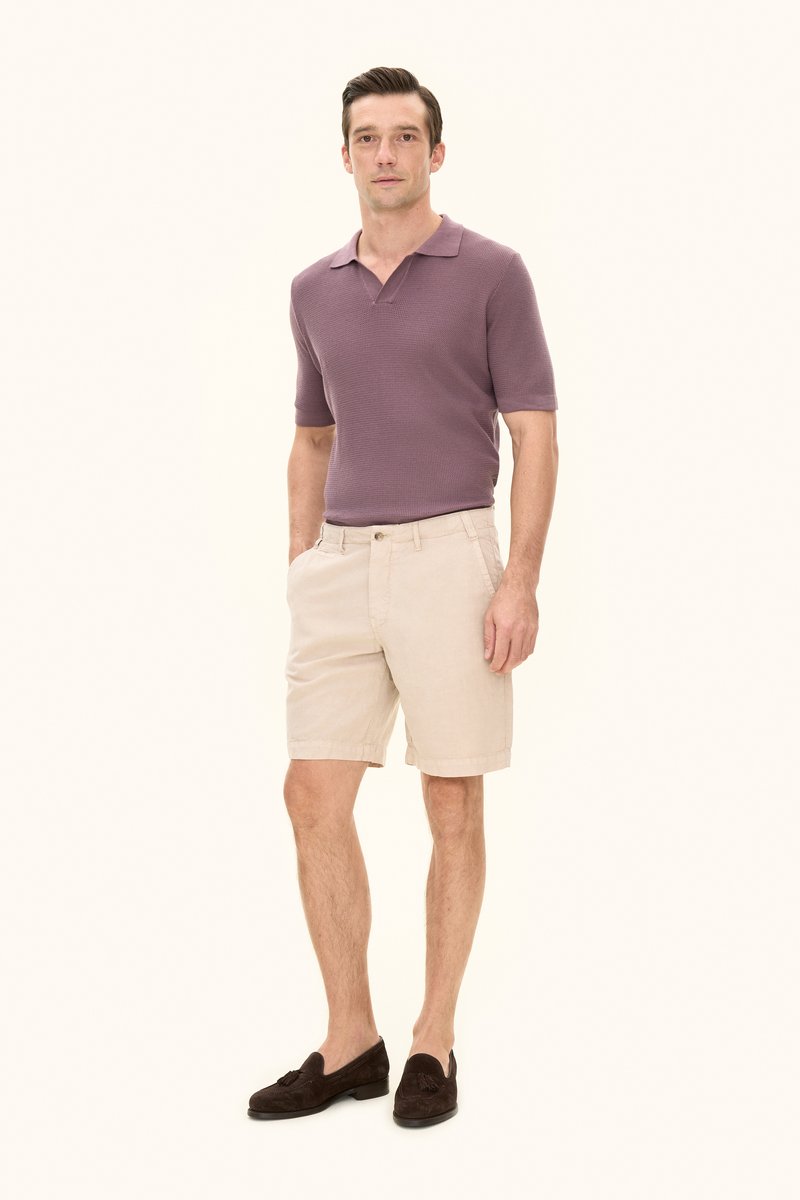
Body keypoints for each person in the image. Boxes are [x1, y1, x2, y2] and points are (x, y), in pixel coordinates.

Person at [248, 66, 559, 1128]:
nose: (386, 154)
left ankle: (434, 1038)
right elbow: (312, 436)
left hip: (449, 557)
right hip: (338, 565)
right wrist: (302, 560)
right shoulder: (312, 289)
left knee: (451, 801)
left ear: (436, 151)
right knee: (310, 796)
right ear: (344, 155)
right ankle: (351, 1042)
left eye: (405, 136)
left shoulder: (494, 273)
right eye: (367, 138)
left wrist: (518, 579)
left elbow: (533, 431)